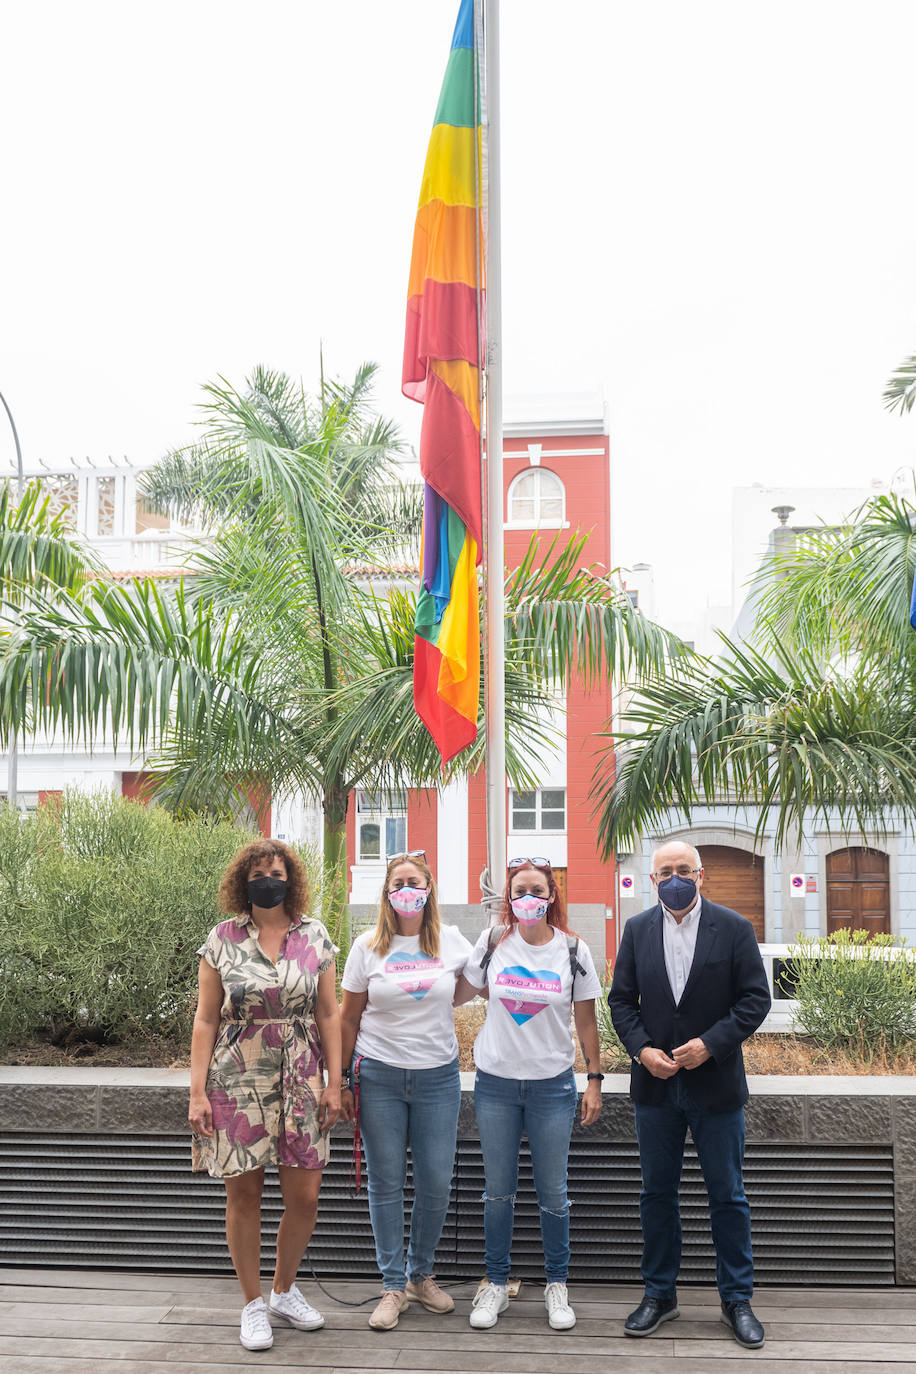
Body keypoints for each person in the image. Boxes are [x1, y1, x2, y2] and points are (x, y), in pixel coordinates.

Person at [608, 839, 771, 1349]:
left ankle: (736, 1300)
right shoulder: (636, 930)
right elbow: (620, 1002)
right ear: (652, 880)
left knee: (728, 1195)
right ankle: (660, 1294)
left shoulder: (735, 927)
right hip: (655, 1089)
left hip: (715, 1084)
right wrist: (640, 1050)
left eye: (684, 870)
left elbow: (755, 1000)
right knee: (657, 1195)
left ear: (701, 875)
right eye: (665, 872)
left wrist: (712, 1044)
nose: (674, 878)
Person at [189, 839, 341, 1352]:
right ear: (243, 881)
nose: (268, 880)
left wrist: (335, 1081)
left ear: (290, 878)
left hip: (302, 1072)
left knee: (306, 1196)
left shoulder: (315, 935)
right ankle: (253, 1304)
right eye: (259, 873)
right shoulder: (223, 939)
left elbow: (328, 1014)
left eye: (276, 871)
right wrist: (196, 1094)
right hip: (236, 1075)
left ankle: (283, 1290)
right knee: (244, 1194)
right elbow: (206, 1018)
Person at [455, 857, 604, 1333]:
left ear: (551, 896)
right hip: (496, 1084)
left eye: (536, 891)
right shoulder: (492, 942)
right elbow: (470, 991)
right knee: (498, 1192)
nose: (527, 900)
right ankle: (495, 1283)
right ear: (508, 898)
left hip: (552, 1087)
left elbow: (585, 1019)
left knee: (554, 1193)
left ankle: (556, 1285)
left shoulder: (574, 950)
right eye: (518, 891)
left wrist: (594, 1078)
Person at [339, 850, 472, 1331]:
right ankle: (393, 1284)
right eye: (398, 882)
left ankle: (421, 1274)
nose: (406, 890)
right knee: (386, 1183)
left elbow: (478, 982)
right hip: (380, 1077)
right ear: (387, 893)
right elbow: (347, 1017)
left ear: (429, 887)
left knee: (436, 1181)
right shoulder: (367, 947)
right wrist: (340, 1080)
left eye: (414, 881)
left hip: (438, 1076)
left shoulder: (452, 942)